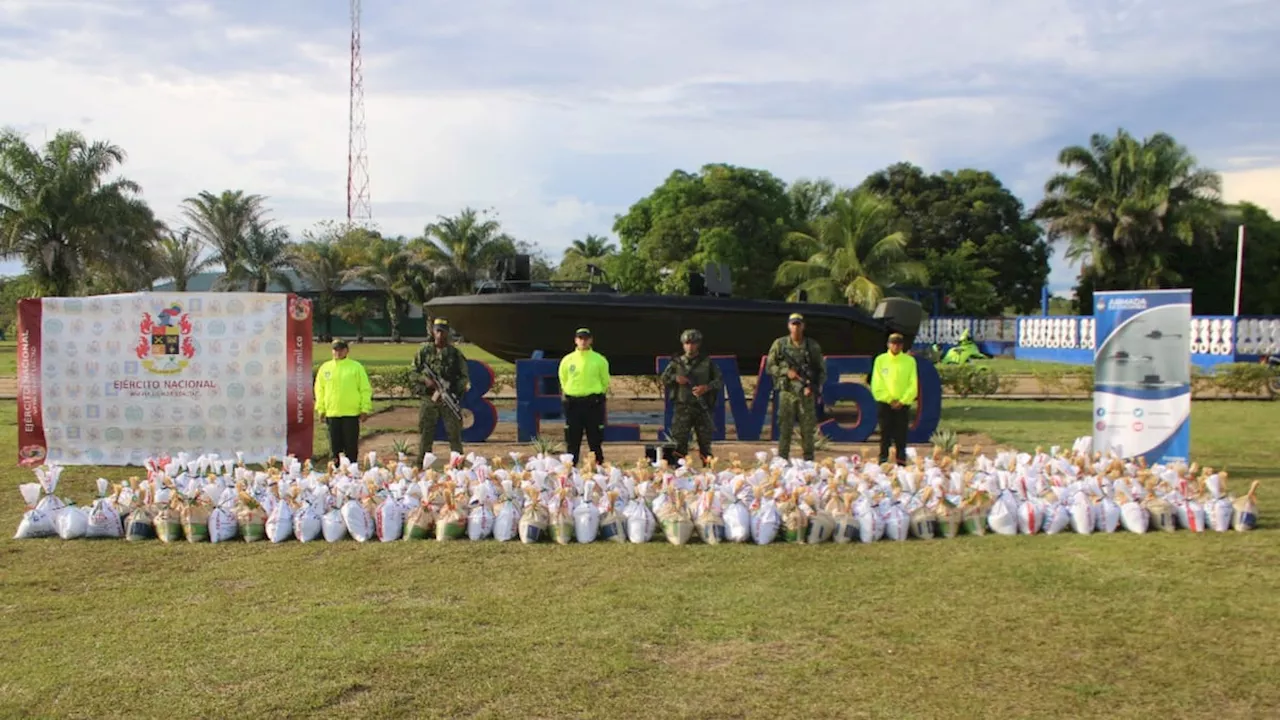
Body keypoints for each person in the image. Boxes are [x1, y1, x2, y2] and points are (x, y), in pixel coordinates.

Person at [766, 313, 826, 461]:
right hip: (787, 392)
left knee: (807, 429)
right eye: (793, 324)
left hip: (806, 393)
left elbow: (821, 370)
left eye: (798, 324)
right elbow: (770, 366)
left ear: (803, 326)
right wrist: (786, 372)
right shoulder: (780, 344)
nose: (796, 327)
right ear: (788, 326)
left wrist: (813, 387)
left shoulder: (812, 346)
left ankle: (809, 461)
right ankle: (782, 460)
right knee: (785, 428)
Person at [660, 328, 723, 465]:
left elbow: (719, 381)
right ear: (683, 345)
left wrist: (705, 388)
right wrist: (676, 378)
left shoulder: (707, 363)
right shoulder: (676, 363)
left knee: (705, 443)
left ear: (698, 344)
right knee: (679, 443)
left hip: (702, 407)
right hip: (683, 407)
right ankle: (679, 471)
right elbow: (664, 378)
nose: (690, 346)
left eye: (693, 343)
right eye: (687, 343)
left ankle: (708, 472)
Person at [413, 317, 469, 467]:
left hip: (448, 398)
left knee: (454, 434)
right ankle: (422, 464)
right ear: (433, 331)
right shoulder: (424, 351)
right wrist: (426, 381)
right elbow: (413, 372)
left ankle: (458, 465)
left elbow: (464, 376)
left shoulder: (455, 353)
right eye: (438, 331)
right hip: (428, 398)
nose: (440, 335)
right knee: (426, 432)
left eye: (443, 332)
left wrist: (453, 391)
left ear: (448, 333)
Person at [313, 339, 372, 466]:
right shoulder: (325, 368)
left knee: (350, 446)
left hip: (350, 413)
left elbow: (365, 389)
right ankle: (336, 472)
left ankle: (352, 470)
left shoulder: (356, 367)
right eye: (335, 350)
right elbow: (319, 390)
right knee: (335, 447)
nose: (338, 352)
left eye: (341, 349)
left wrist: (365, 408)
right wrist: (321, 409)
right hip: (332, 413)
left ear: (347, 350)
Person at [558, 327, 609, 466]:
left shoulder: (599, 360)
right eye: (580, 338)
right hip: (573, 404)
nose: (583, 341)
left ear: (591, 340)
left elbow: (605, 380)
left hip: (593, 403)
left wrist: (595, 394)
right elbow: (563, 378)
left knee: (595, 439)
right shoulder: (568, 360)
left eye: (586, 339)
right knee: (572, 439)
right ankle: (571, 468)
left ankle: (598, 469)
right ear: (575, 340)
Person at [871, 332, 918, 466]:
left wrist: (903, 400)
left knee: (901, 434)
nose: (895, 346)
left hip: (902, 404)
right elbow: (877, 383)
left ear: (902, 345)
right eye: (893, 343)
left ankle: (901, 461)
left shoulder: (909, 361)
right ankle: (883, 460)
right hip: (885, 403)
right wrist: (889, 399)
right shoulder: (881, 360)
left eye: (898, 344)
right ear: (888, 344)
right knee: (885, 433)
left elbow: (912, 383)